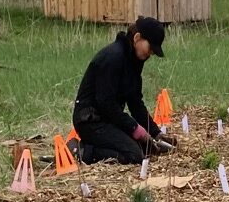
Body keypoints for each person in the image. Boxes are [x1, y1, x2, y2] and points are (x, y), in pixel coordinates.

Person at [71, 16, 175, 166]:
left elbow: (135, 102)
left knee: (146, 147)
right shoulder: (114, 57)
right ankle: (81, 151)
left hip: (107, 119)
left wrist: (155, 133)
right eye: (150, 47)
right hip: (90, 121)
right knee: (134, 155)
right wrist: (134, 128)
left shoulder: (134, 61)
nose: (151, 53)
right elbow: (106, 103)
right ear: (137, 38)